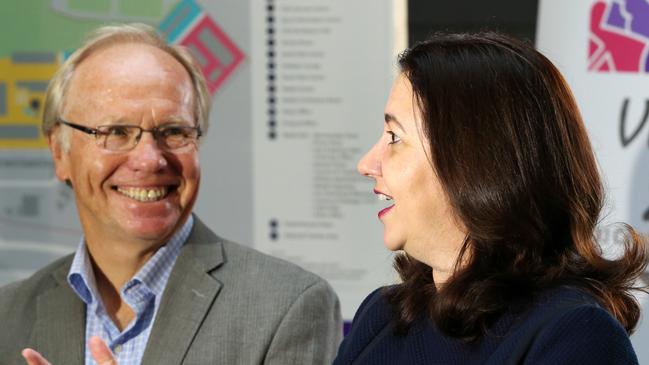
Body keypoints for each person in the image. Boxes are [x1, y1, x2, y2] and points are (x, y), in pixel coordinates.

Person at [0, 23, 341, 364]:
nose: (150, 159)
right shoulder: (7, 318)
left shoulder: (285, 306)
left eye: (173, 131)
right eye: (117, 132)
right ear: (59, 152)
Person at [334, 32, 648, 364]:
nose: (366, 164)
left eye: (394, 137)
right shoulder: (381, 317)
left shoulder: (576, 336)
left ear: (474, 160)